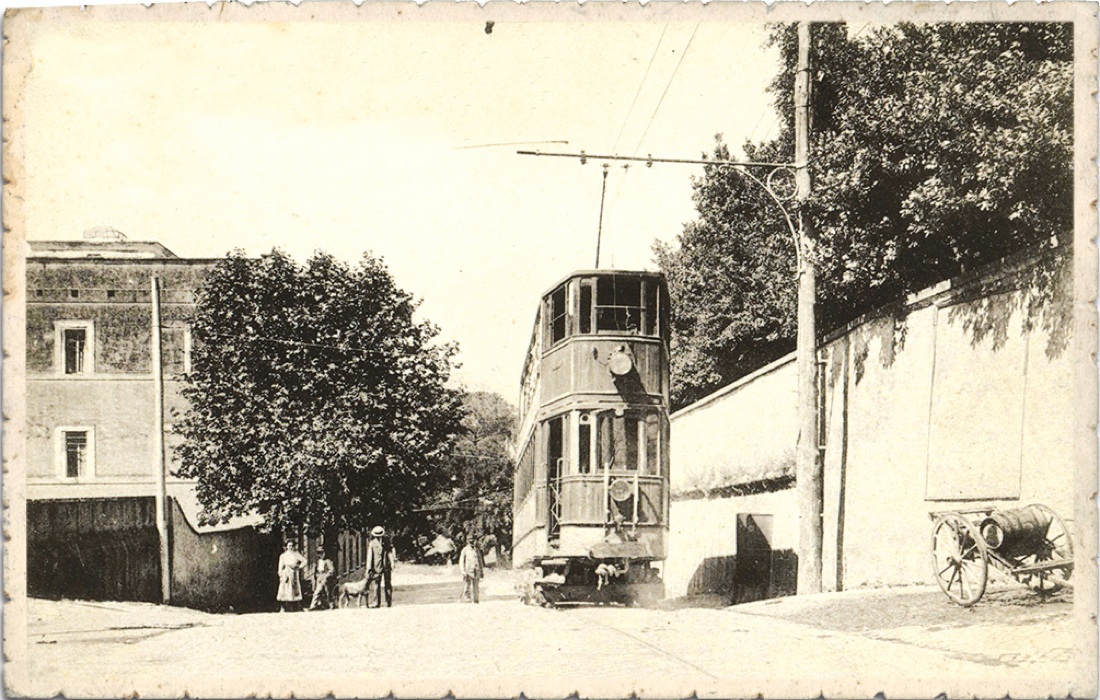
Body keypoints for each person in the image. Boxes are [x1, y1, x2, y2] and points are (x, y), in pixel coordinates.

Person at [365, 525, 395, 607]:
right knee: (376, 584)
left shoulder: (386, 542)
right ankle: (376, 603)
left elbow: (390, 552)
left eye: (380, 536)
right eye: (377, 536)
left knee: (388, 583)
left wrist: (392, 563)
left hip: (386, 566)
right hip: (376, 567)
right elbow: (370, 556)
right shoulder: (372, 544)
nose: (378, 537)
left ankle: (389, 602)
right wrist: (369, 568)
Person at [276, 540, 307, 612]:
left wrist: (299, 567)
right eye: (289, 546)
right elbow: (280, 567)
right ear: (286, 546)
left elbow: (305, 561)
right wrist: (281, 574)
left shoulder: (296, 554)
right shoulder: (283, 556)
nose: (291, 547)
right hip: (286, 573)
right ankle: (283, 607)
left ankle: (295, 606)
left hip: (294, 573)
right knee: (284, 589)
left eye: (292, 546)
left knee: (294, 589)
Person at [309, 546, 336, 611]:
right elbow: (315, 571)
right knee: (317, 592)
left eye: (321, 553)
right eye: (319, 553)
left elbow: (332, 570)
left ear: (324, 553)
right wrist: (315, 578)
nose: (320, 555)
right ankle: (312, 606)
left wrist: (326, 577)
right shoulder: (317, 561)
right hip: (319, 577)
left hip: (325, 577)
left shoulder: (328, 561)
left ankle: (331, 605)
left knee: (327, 592)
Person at [458, 536, 484, 603]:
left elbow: (480, 560)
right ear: (467, 541)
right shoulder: (465, 550)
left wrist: (481, 571)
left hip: (476, 570)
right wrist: (463, 571)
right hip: (468, 571)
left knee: (476, 586)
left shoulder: (477, 550)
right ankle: (467, 599)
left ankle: (476, 599)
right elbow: (461, 561)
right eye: (470, 540)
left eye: (472, 540)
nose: (471, 542)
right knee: (467, 585)